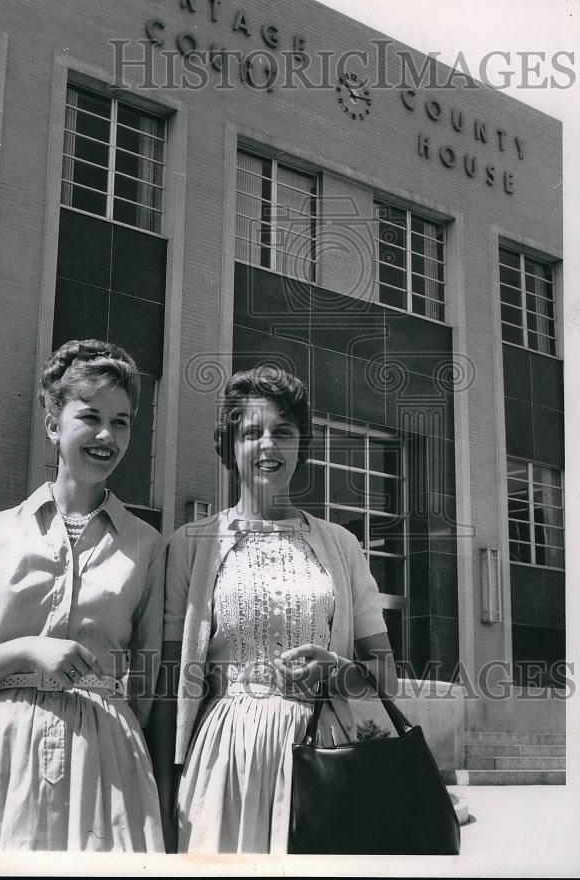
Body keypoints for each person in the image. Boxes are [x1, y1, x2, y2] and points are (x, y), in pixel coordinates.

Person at [0, 339, 166, 851]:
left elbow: (147, 680)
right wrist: (28, 650)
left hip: (106, 762)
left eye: (121, 421)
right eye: (90, 416)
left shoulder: (146, 545)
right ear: (54, 425)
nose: (106, 435)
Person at [149, 365, 398, 854]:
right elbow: (166, 683)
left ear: (301, 444)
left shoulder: (343, 546)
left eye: (283, 431)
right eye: (251, 432)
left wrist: (338, 673)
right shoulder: (190, 545)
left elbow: (385, 676)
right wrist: (161, 791)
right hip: (226, 758)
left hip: (325, 753)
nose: (268, 445)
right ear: (230, 447)